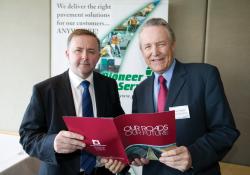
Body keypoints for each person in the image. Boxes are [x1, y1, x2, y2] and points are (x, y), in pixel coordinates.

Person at [131, 18, 240, 175]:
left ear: (173, 44)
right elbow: (141, 140)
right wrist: (138, 154)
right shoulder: (140, 91)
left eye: (161, 44)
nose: (155, 52)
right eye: (148, 46)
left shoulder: (204, 76)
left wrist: (193, 155)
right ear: (142, 52)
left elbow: (226, 131)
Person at [19, 29, 128, 175]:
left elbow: (119, 130)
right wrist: (52, 143)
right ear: (67, 54)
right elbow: (27, 137)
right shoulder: (44, 90)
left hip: (103, 171)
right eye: (78, 50)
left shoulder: (109, 86)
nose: (85, 57)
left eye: (91, 51)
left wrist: (119, 157)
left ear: (98, 56)